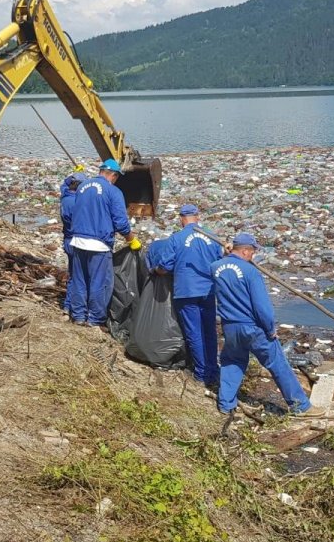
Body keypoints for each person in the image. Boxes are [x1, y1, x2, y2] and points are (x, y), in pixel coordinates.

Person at [211, 233, 318, 418]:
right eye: (251, 252)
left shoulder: (215, 267)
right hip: (253, 327)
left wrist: (226, 254)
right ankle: (300, 406)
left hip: (230, 326)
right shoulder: (250, 271)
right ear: (245, 250)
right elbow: (262, 307)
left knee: (232, 362)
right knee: (278, 364)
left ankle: (226, 404)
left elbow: (227, 266)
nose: (252, 257)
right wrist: (270, 329)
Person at [152, 204, 222, 392]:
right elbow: (219, 262)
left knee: (194, 332)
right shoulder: (212, 237)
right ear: (197, 217)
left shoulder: (177, 238)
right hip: (208, 290)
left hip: (186, 291)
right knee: (209, 331)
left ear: (182, 219)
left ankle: (200, 374)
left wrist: (156, 271)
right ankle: (213, 371)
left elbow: (165, 265)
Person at [67, 158, 139, 326]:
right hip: (99, 244)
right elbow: (121, 222)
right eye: (116, 177)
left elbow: (71, 203)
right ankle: (94, 319)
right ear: (113, 176)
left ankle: (78, 316)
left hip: (77, 241)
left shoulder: (82, 187)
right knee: (99, 283)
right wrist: (131, 239)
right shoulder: (113, 192)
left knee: (79, 280)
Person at [59, 171, 85, 315]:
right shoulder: (76, 203)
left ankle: (69, 305)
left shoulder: (65, 195)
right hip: (74, 241)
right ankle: (70, 307)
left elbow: (64, 184)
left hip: (67, 241)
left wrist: (73, 175)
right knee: (77, 276)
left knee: (73, 274)